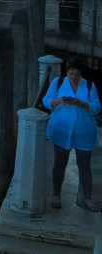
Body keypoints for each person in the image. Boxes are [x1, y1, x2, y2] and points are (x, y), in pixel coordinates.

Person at [43, 59, 101, 210]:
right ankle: (56, 195)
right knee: (59, 164)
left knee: (84, 165)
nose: (74, 77)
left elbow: (97, 107)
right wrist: (59, 101)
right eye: (71, 73)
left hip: (84, 132)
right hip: (61, 130)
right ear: (67, 72)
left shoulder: (89, 85)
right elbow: (46, 101)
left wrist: (82, 104)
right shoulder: (59, 81)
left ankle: (88, 198)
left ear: (81, 74)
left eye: (77, 74)